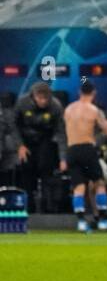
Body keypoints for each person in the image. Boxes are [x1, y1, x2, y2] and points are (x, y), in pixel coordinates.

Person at [62, 82, 107, 232]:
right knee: (99, 183)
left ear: (79, 92)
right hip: (87, 149)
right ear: (93, 93)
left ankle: (81, 222)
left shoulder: (68, 109)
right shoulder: (94, 110)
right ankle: (101, 220)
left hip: (71, 150)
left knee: (79, 187)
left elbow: (65, 131)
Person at [14, 81, 67, 214]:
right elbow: (14, 126)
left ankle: (48, 209)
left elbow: (61, 133)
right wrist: (19, 145)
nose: (43, 101)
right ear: (33, 96)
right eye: (40, 98)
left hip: (45, 140)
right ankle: (27, 208)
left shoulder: (55, 106)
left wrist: (63, 158)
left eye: (46, 99)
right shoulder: (22, 103)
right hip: (26, 141)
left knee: (46, 172)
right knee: (27, 176)